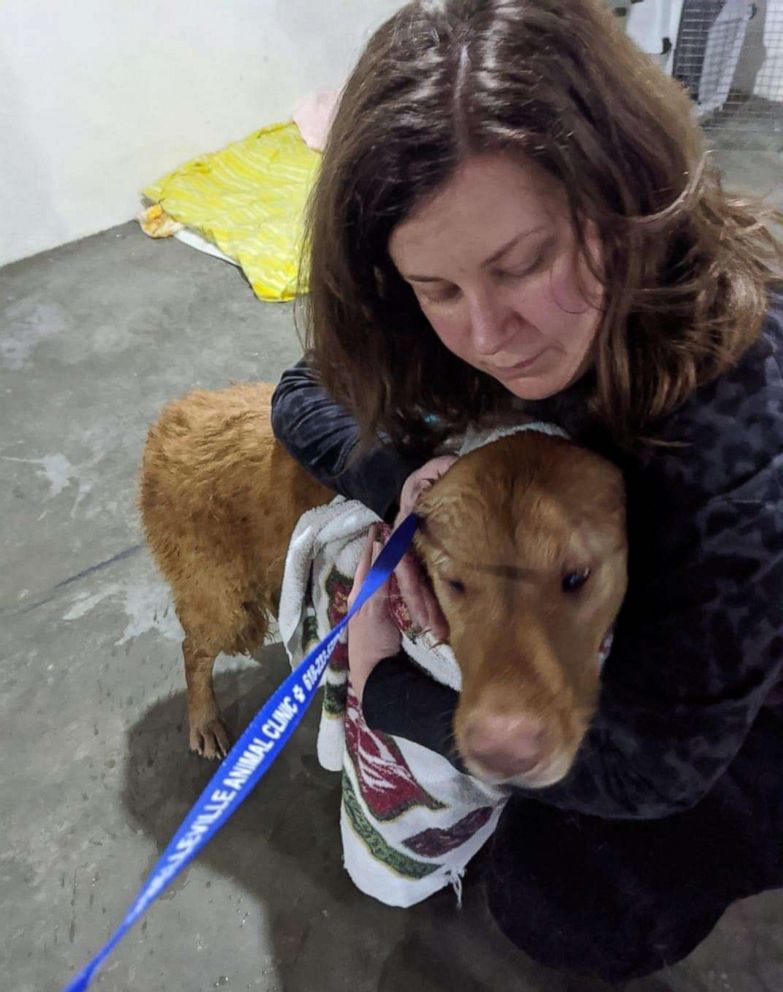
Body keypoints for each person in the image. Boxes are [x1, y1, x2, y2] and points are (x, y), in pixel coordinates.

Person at [271, 0, 783, 981]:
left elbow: (651, 766)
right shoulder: (455, 302)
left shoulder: (740, 440)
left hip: (752, 704)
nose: (486, 333)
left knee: (562, 899)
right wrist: (409, 483)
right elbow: (302, 393)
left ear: (625, 198)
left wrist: (391, 692)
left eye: (526, 263)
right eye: (438, 288)